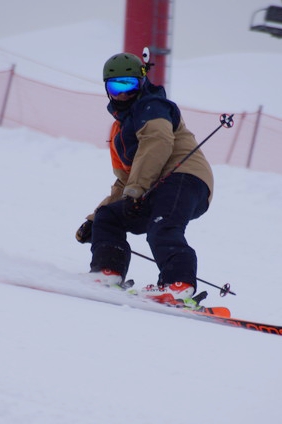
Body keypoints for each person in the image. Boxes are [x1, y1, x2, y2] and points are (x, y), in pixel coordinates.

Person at [75, 52, 214, 306]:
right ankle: (108, 272)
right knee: (110, 217)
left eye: (130, 85)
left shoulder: (153, 107)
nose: (123, 94)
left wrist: (135, 191)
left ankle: (177, 285)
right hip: (154, 188)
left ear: (142, 82)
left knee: (163, 225)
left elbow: (158, 142)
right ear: (107, 89)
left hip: (186, 179)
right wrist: (95, 219)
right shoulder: (121, 128)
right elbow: (125, 180)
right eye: (116, 87)